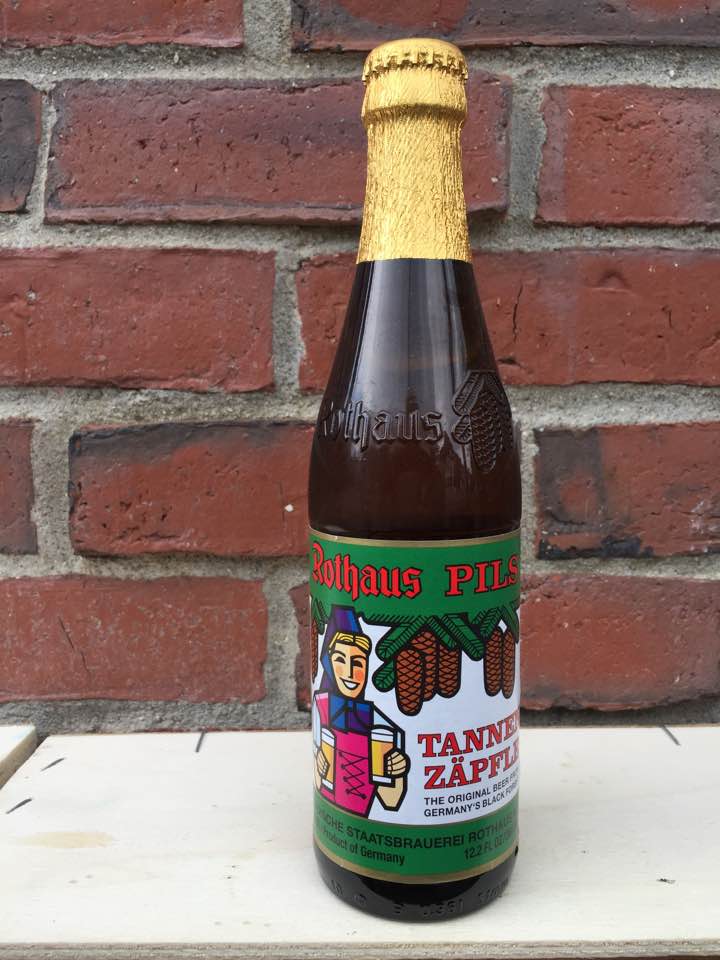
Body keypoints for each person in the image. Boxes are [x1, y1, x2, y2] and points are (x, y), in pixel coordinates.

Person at [313, 606, 410, 815]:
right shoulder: (320, 707)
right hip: (334, 820)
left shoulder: (379, 724)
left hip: (366, 819)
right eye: (340, 660)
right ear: (329, 664)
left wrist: (397, 774)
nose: (349, 672)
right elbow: (319, 780)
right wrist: (319, 767)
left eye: (358, 662)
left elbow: (391, 801)